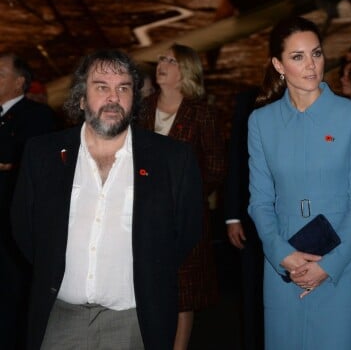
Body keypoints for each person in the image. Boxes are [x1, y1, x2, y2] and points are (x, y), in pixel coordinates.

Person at [10, 49, 203, 350]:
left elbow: (184, 233)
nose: (113, 98)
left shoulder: (172, 159)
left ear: (133, 98)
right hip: (60, 318)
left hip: (133, 322)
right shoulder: (43, 154)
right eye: (101, 87)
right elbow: (25, 230)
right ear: (82, 97)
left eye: (123, 88)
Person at [247, 16, 351, 349]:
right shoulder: (261, 122)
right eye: (297, 56)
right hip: (283, 266)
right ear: (278, 64)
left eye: (316, 54)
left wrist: (330, 265)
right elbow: (260, 201)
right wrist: (281, 253)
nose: (311, 66)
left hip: (340, 264)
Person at [138, 43, 227, 350]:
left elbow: (215, 166)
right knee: (145, 287)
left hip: (184, 218)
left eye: (171, 60)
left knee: (182, 293)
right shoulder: (141, 109)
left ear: (185, 70)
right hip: (141, 216)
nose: (162, 64)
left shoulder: (202, 113)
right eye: (161, 58)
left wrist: (184, 197)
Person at [0, 52, 57, 350]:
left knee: (10, 296)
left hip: (11, 224)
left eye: (0, 74)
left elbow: (22, 160)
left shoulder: (37, 116)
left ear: (19, 82)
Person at [223, 87, 264, 350]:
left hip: (297, 215)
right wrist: (231, 216)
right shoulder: (250, 100)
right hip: (252, 214)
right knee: (253, 293)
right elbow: (237, 157)